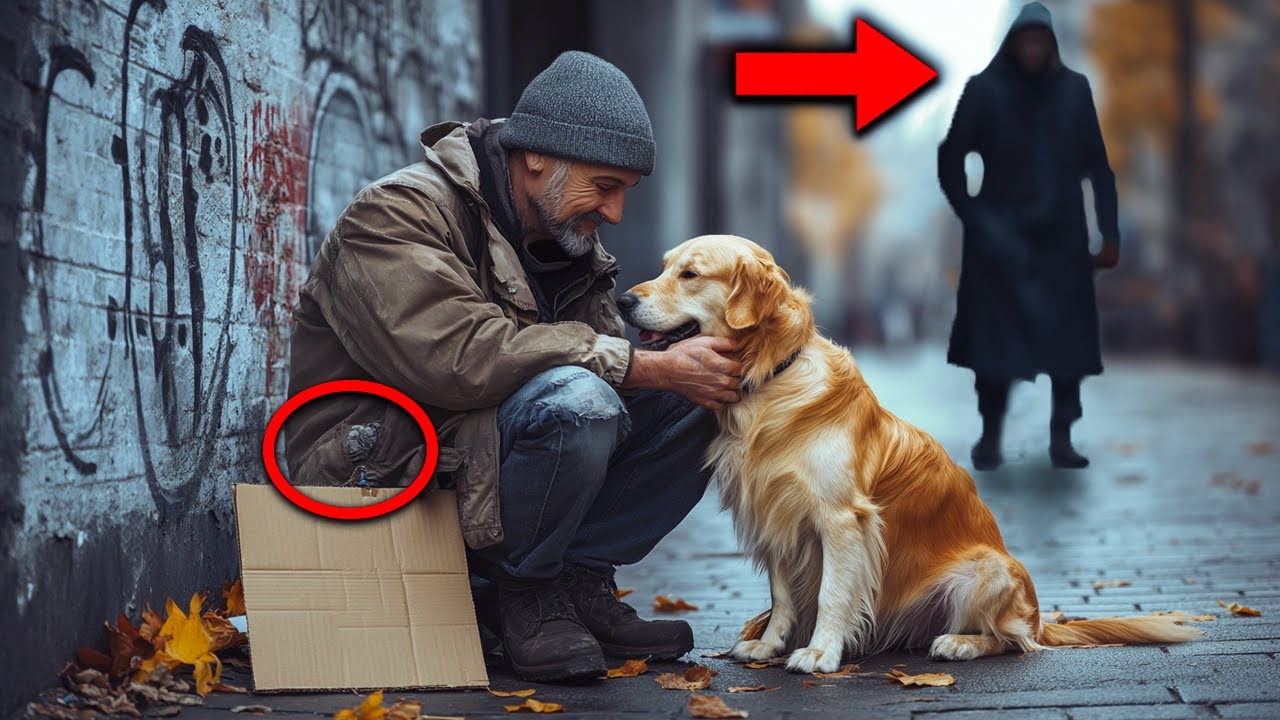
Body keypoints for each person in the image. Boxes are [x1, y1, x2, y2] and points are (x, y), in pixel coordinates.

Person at [284, 51, 743, 681]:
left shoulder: (565, 241)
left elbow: (618, 382)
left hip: (482, 456)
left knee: (707, 396)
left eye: (624, 194)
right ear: (537, 158)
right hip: (388, 468)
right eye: (605, 187)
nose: (614, 213)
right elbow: (455, 359)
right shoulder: (396, 215)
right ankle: (522, 594)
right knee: (581, 400)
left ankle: (575, 584)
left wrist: (691, 365)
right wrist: (642, 367)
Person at [937, 1, 1120, 471]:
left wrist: (1110, 233)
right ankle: (990, 433)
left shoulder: (1074, 92)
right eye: (1027, 40)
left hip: (1059, 238)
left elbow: (1098, 168)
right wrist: (973, 216)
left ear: (1051, 44)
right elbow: (951, 154)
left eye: (1041, 40)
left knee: (1067, 346)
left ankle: (1062, 434)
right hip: (999, 240)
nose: (1034, 49)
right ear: (1014, 43)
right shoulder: (985, 90)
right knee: (994, 349)